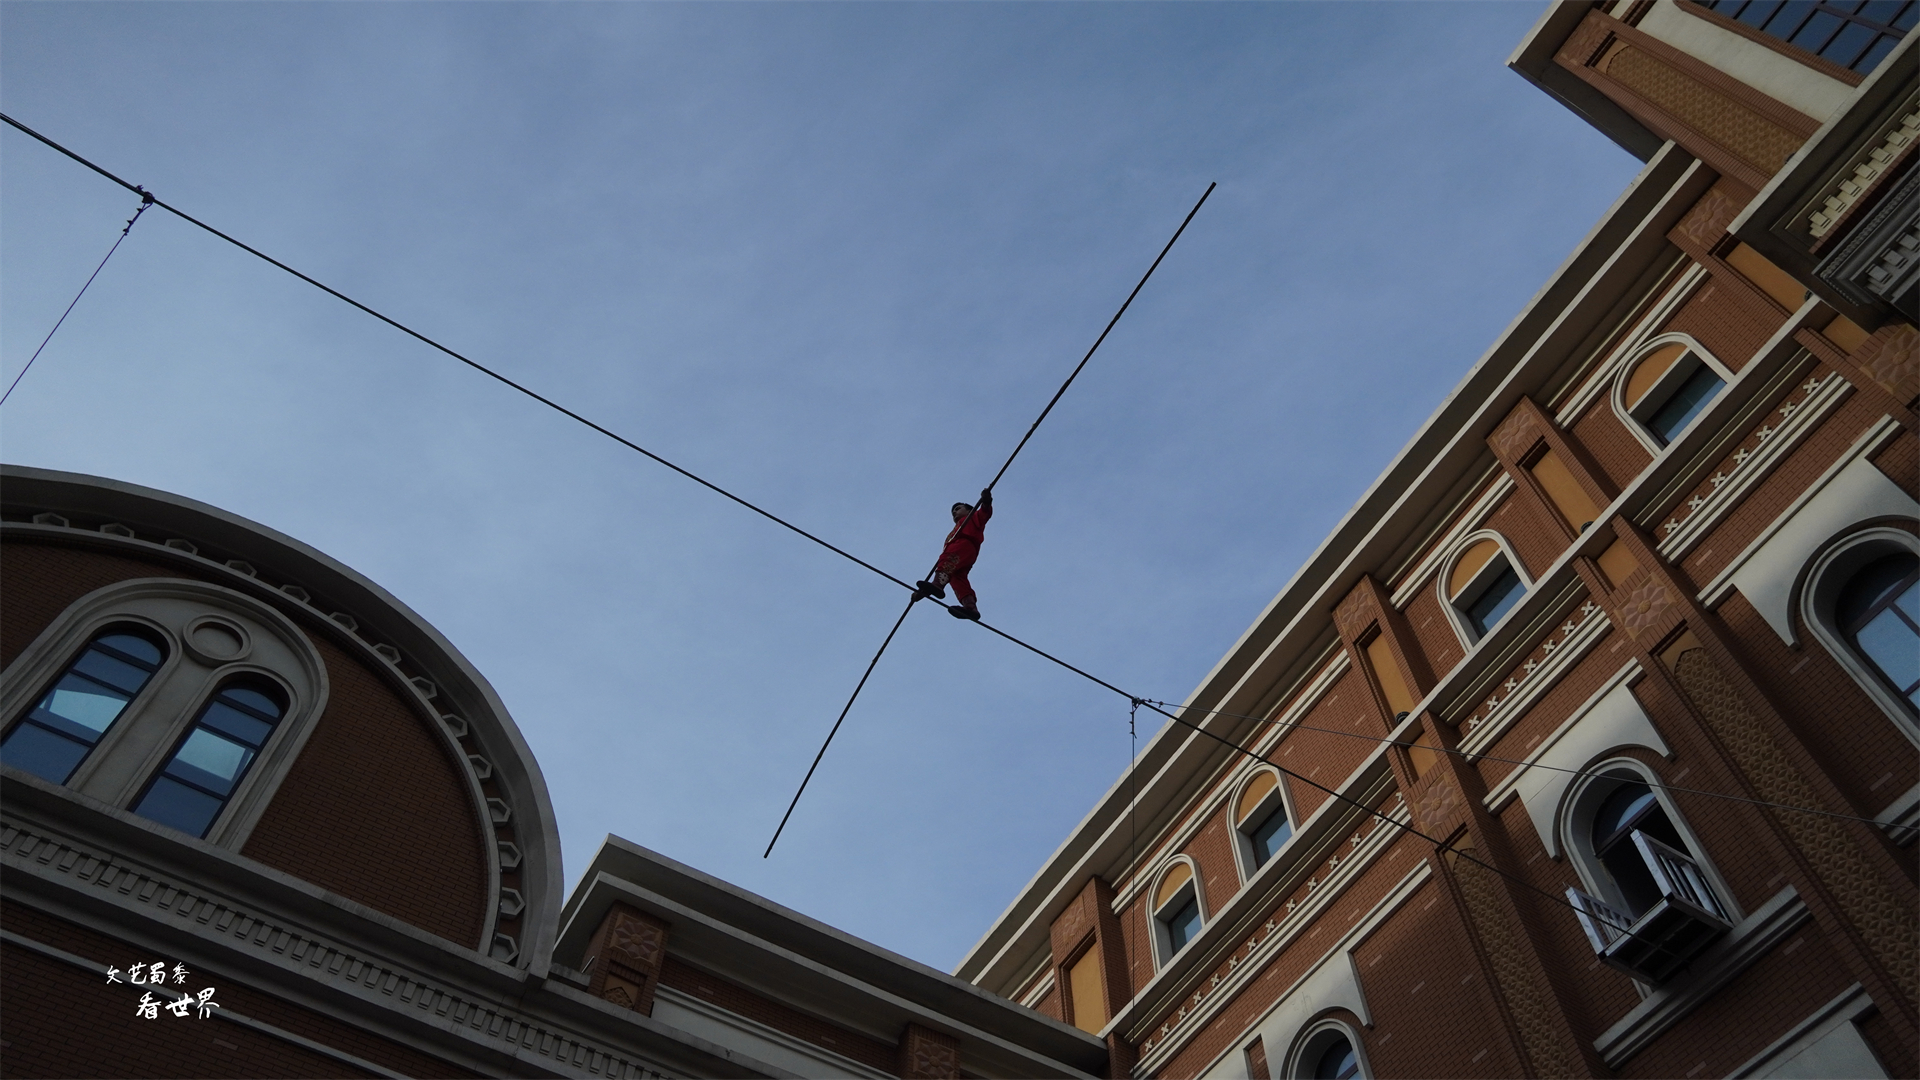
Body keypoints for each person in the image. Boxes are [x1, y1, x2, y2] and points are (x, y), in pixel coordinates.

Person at [913, 488, 992, 619]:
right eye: (953, 512)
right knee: (957, 578)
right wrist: (921, 593)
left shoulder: (972, 517)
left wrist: (986, 501)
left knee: (947, 560)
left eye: (958, 508)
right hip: (967, 553)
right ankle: (970, 607)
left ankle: (937, 585)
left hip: (963, 546)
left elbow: (984, 513)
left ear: (969, 510)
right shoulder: (957, 527)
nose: (955, 512)